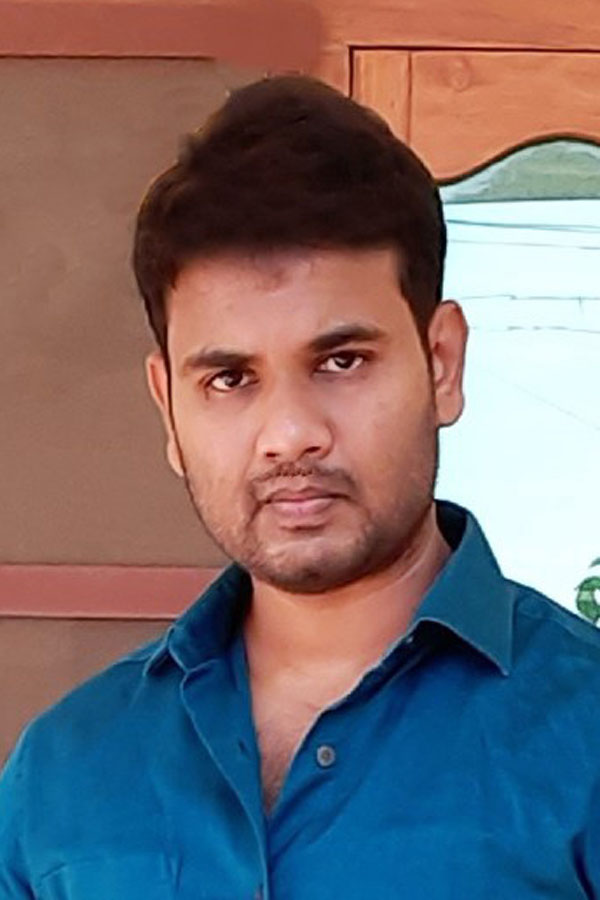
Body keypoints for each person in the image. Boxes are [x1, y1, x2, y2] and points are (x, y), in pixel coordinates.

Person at [1, 74, 600, 900]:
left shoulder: (584, 740)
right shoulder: (64, 774)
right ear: (168, 407)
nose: (289, 433)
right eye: (229, 379)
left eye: (341, 361)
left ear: (441, 364)